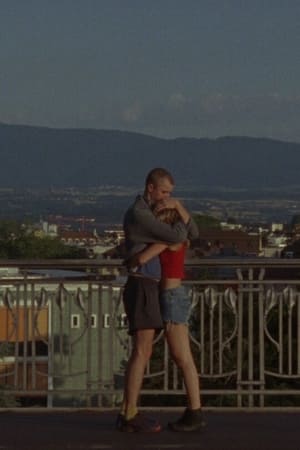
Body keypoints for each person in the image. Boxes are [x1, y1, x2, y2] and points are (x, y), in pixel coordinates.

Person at [118, 167, 198, 433]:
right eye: (164, 192)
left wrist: (179, 207)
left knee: (146, 351)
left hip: (151, 287)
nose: (167, 198)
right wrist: (178, 211)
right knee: (143, 350)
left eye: (170, 195)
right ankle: (129, 413)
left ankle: (129, 411)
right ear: (151, 188)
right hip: (144, 286)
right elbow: (179, 236)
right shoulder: (141, 214)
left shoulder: (147, 213)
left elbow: (187, 234)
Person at [131, 207, 205, 432]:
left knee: (182, 357)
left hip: (171, 297)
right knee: (181, 357)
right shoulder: (176, 240)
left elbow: (143, 257)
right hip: (172, 296)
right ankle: (194, 411)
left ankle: (195, 412)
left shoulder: (167, 241)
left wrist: (130, 258)